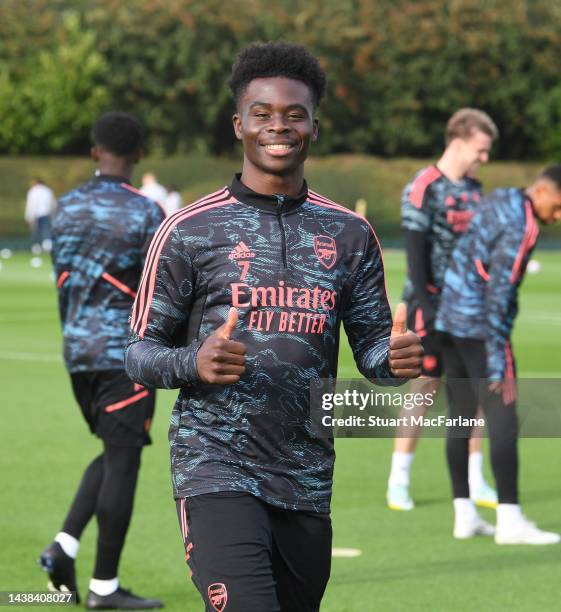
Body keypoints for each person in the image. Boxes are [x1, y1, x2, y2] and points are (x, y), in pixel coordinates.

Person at [125, 42, 423, 612]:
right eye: (262, 114)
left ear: (315, 125)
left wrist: (396, 359)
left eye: (294, 114)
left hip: (308, 476)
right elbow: (138, 352)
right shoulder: (189, 230)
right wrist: (194, 362)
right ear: (239, 125)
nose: (278, 126)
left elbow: (373, 355)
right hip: (215, 469)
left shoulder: (350, 233)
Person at [39, 111, 166, 609]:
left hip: (77, 353)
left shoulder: (65, 208)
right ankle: (103, 590)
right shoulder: (146, 212)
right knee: (125, 458)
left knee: (116, 451)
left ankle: (63, 548)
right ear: (138, 156)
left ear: (94, 153)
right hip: (124, 357)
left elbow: (63, 283)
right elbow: (161, 293)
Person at [436, 165, 561, 543]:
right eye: (558, 205)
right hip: (480, 329)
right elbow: (500, 293)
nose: (559, 216)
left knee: (459, 416)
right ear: (542, 190)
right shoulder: (525, 224)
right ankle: (510, 520)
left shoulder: (502, 196)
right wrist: (496, 357)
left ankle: (465, 515)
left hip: (449, 320)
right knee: (503, 417)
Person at [386, 108, 499, 511]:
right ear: (460, 141)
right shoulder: (423, 187)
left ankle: (474, 478)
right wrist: (430, 309)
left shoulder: (474, 189)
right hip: (430, 307)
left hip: (470, 309)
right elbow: (416, 256)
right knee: (425, 387)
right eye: (481, 150)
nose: (484, 158)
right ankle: (399, 478)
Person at [25, 178, 57, 254]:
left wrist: (29, 216)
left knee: (36, 231)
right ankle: (47, 247)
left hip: (36, 214)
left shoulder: (33, 191)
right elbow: (53, 203)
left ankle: (36, 248)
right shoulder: (48, 190)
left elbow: (31, 204)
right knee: (45, 230)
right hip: (46, 213)